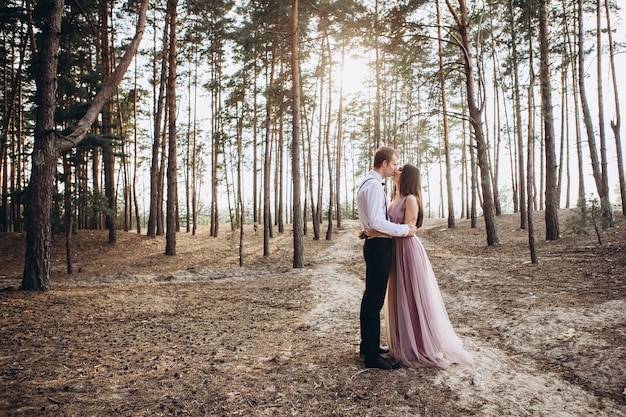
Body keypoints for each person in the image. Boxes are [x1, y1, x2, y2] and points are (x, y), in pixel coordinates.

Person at [384, 163, 473, 368]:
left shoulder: (410, 200)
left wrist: (388, 229)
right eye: (395, 167)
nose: (395, 170)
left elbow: (409, 229)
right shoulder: (394, 199)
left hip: (407, 251)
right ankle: (405, 342)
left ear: (407, 177)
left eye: (400, 169)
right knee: (401, 295)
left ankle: (423, 344)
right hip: (395, 251)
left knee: (414, 295)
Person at [356, 146, 417, 370]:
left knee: (372, 297)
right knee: (374, 300)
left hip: (376, 244)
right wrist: (404, 230)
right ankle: (371, 355)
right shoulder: (373, 186)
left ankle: (368, 345)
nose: (394, 169)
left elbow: (372, 222)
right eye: (393, 164)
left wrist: (368, 229)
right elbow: (377, 222)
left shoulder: (367, 184)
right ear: (384, 163)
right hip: (379, 247)